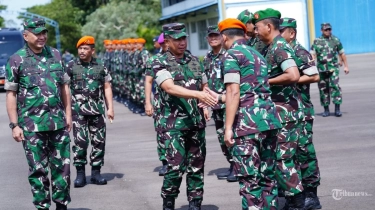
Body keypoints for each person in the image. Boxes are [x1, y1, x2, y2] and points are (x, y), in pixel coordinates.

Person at [213, 18, 282, 210]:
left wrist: (227, 128)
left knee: (250, 180)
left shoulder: (231, 55)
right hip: (269, 121)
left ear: (224, 37)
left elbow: (234, 92)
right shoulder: (257, 53)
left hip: (247, 125)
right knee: (268, 177)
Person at [5, 18, 72, 210]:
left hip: (58, 124)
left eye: (44, 33)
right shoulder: (16, 60)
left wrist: (68, 114)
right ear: (26, 36)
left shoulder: (56, 55)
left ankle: (61, 205)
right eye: (37, 33)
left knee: (63, 168)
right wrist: (14, 125)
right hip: (31, 127)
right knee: (38, 170)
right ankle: (42, 206)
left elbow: (64, 87)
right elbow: (11, 94)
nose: (42, 37)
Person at [152, 23, 217, 210]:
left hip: (195, 122)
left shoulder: (194, 60)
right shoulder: (159, 62)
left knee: (197, 165)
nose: (182, 43)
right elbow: (169, 87)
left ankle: (195, 203)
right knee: (175, 167)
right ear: (168, 41)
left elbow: (203, 85)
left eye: (184, 38)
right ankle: (168, 202)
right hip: (173, 124)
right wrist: (198, 95)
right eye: (177, 39)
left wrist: (206, 103)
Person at [253, 8, 306, 209]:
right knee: (279, 159)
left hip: (286, 113)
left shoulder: (279, 47)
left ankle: (297, 203)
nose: (256, 31)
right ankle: (292, 200)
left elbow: (293, 74)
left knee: (283, 160)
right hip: (278, 113)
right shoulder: (269, 47)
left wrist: (266, 81)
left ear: (269, 26)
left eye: (258, 27)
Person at [280, 18, 322, 210]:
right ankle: (295, 195)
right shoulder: (281, 52)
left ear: (291, 33)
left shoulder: (299, 51)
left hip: (302, 111)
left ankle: (312, 195)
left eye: (282, 31)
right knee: (290, 154)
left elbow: (315, 75)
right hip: (286, 112)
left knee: (305, 153)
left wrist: (293, 80)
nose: (279, 34)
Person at [65, 36, 114, 188]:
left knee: (99, 142)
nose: (82, 51)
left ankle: (96, 173)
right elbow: (65, 89)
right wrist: (66, 112)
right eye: (80, 48)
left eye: (86, 48)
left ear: (92, 50)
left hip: (97, 111)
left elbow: (106, 87)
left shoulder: (101, 65)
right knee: (80, 143)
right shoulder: (71, 65)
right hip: (78, 112)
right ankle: (80, 174)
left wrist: (110, 107)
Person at [202, 25, 236, 182]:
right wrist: (205, 103)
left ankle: (238, 167)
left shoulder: (228, 55)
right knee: (222, 138)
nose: (213, 38)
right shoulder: (208, 57)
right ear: (207, 39)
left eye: (216, 35)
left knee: (232, 135)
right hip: (215, 105)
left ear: (223, 37)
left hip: (228, 103)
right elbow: (206, 83)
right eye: (211, 36)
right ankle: (232, 165)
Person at [310, 23, 349, 117]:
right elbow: (312, 55)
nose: (328, 31)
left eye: (329, 29)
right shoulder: (316, 41)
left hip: (333, 69)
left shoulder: (335, 40)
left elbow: (342, 53)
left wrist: (346, 66)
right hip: (321, 70)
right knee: (323, 89)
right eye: (326, 30)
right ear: (321, 31)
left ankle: (337, 109)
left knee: (335, 87)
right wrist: (311, 66)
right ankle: (326, 110)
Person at [144, 32, 169, 176]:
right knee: (161, 133)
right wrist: (148, 102)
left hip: (182, 103)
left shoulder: (184, 58)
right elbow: (148, 81)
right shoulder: (154, 60)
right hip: (162, 103)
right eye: (164, 43)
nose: (166, 45)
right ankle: (165, 162)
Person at [135, 38, 149, 116]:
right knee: (140, 92)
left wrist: (138, 70)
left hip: (144, 75)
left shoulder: (144, 52)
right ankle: (142, 108)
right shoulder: (139, 52)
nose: (136, 45)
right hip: (140, 75)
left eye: (138, 44)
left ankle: (146, 108)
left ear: (141, 44)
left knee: (144, 92)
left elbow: (145, 64)